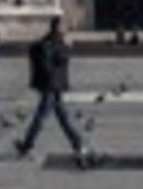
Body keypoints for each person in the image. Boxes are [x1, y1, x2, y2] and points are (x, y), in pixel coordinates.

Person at [15, 17, 90, 166]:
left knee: (61, 118)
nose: (67, 30)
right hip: (51, 86)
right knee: (42, 117)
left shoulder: (51, 41)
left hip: (53, 87)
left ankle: (77, 143)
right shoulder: (54, 43)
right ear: (58, 28)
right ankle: (27, 145)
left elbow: (42, 51)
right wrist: (67, 47)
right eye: (65, 27)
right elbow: (55, 59)